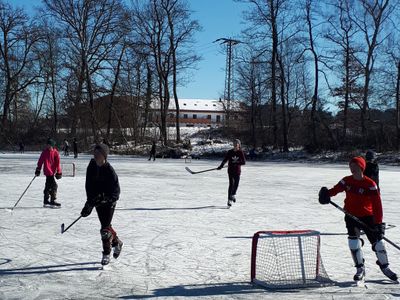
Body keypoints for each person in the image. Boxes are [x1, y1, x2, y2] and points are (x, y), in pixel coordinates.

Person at [319, 157, 397, 282]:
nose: (352, 169)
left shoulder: (370, 184)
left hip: (368, 216)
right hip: (351, 215)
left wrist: (378, 223)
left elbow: (377, 205)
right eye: (350, 166)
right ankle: (360, 268)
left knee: (378, 243)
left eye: (354, 166)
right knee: (353, 242)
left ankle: (385, 267)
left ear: (361, 167)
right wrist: (326, 194)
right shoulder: (346, 181)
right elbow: (335, 190)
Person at [80, 143, 123, 266]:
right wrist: (89, 203)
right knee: (106, 226)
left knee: (104, 229)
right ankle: (117, 242)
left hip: (109, 202)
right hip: (97, 200)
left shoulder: (110, 170)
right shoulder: (92, 165)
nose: (95, 155)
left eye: (98, 154)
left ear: (104, 156)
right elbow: (89, 185)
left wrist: (105, 198)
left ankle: (106, 253)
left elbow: (116, 192)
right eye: (94, 153)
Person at [217, 139, 246, 207]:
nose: (235, 145)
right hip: (230, 171)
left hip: (237, 171)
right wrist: (221, 166)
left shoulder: (240, 152)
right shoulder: (230, 152)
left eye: (237, 143)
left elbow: (244, 162)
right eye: (234, 143)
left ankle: (233, 195)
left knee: (236, 184)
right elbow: (225, 159)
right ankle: (229, 200)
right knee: (231, 184)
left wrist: (236, 163)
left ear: (239, 145)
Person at [35, 138, 62, 207]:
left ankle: (46, 201)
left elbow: (58, 163)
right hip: (48, 171)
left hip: (52, 172)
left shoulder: (55, 152)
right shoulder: (44, 152)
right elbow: (40, 161)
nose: (48, 146)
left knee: (48, 186)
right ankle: (52, 200)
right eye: (47, 145)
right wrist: (38, 169)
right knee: (54, 186)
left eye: (49, 145)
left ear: (52, 146)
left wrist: (59, 172)